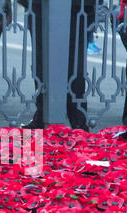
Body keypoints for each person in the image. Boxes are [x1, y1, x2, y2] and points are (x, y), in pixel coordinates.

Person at [20, 0, 97, 131]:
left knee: (72, 63)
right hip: (45, 6)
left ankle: (77, 118)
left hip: (76, 7)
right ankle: (46, 114)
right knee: (44, 62)